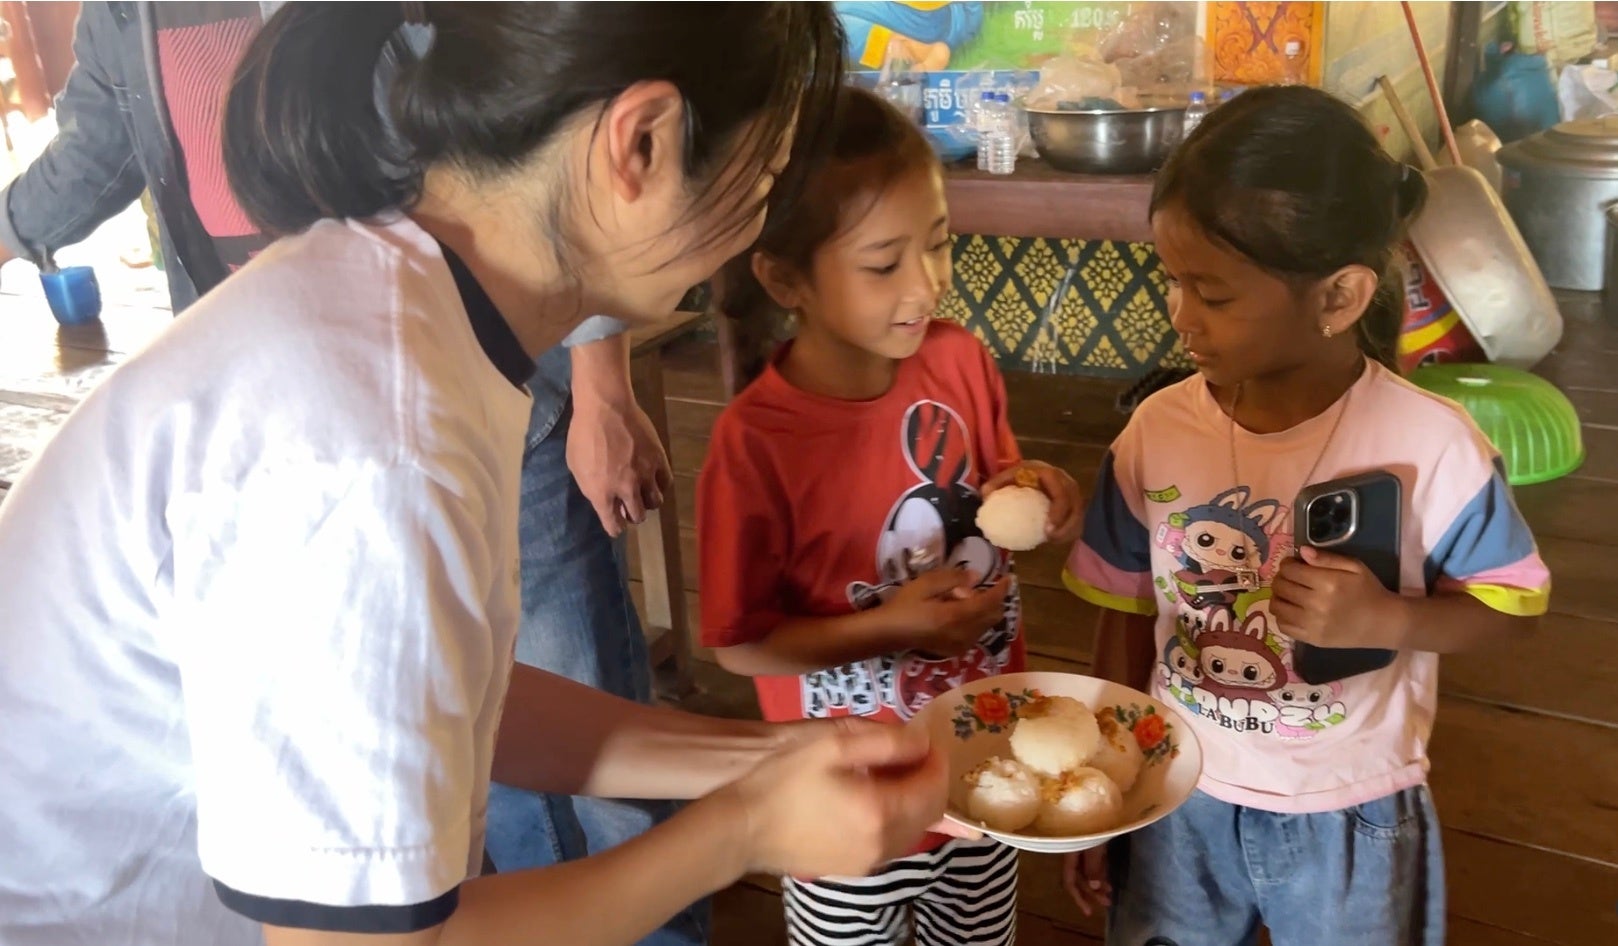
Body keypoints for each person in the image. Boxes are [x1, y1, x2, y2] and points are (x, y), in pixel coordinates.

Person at [0, 4, 965, 945]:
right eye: (767, 172)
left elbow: (465, 698)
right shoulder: (374, 448)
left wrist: (775, 754)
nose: (760, 218)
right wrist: (746, 828)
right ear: (642, 144)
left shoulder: (407, 307)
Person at [1060, 85, 1552, 946]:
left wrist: (1388, 619)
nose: (1181, 316)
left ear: (1338, 298)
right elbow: (1128, 609)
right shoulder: (1154, 433)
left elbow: (1512, 609)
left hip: (1351, 809)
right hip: (1179, 795)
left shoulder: (1434, 444)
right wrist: (1111, 776)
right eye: (1173, 281)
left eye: (1212, 294)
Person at [698, 86, 1084, 946]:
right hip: (845, 803)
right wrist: (890, 627)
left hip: (979, 767)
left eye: (939, 244)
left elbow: (999, 483)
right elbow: (739, 642)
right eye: (883, 265)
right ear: (786, 278)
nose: (926, 284)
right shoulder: (756, 444)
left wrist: (1042, 485)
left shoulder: (959, 360)